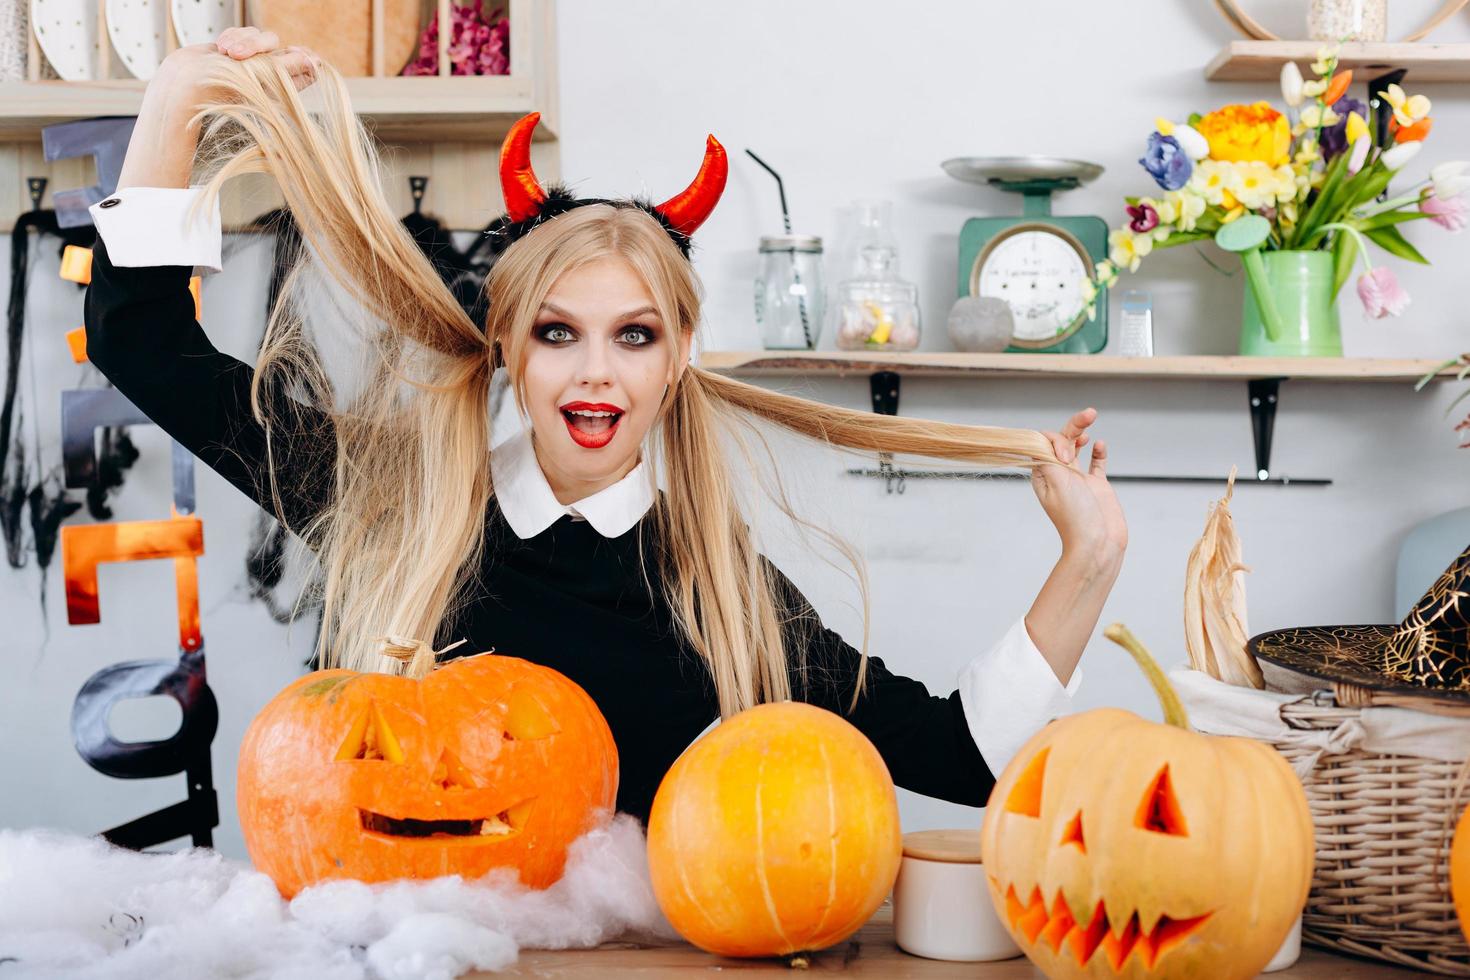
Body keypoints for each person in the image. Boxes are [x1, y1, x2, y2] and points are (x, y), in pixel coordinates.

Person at [83, 28, 1127, 824]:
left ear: (677, 362)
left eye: (633, 336)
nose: (594, 374)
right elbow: (140, 343)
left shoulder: (718, 585)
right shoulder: (391, 498)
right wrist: (178, 99)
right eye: (557, 332)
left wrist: (1089, 557)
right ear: (507, 347)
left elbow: (955, 754)